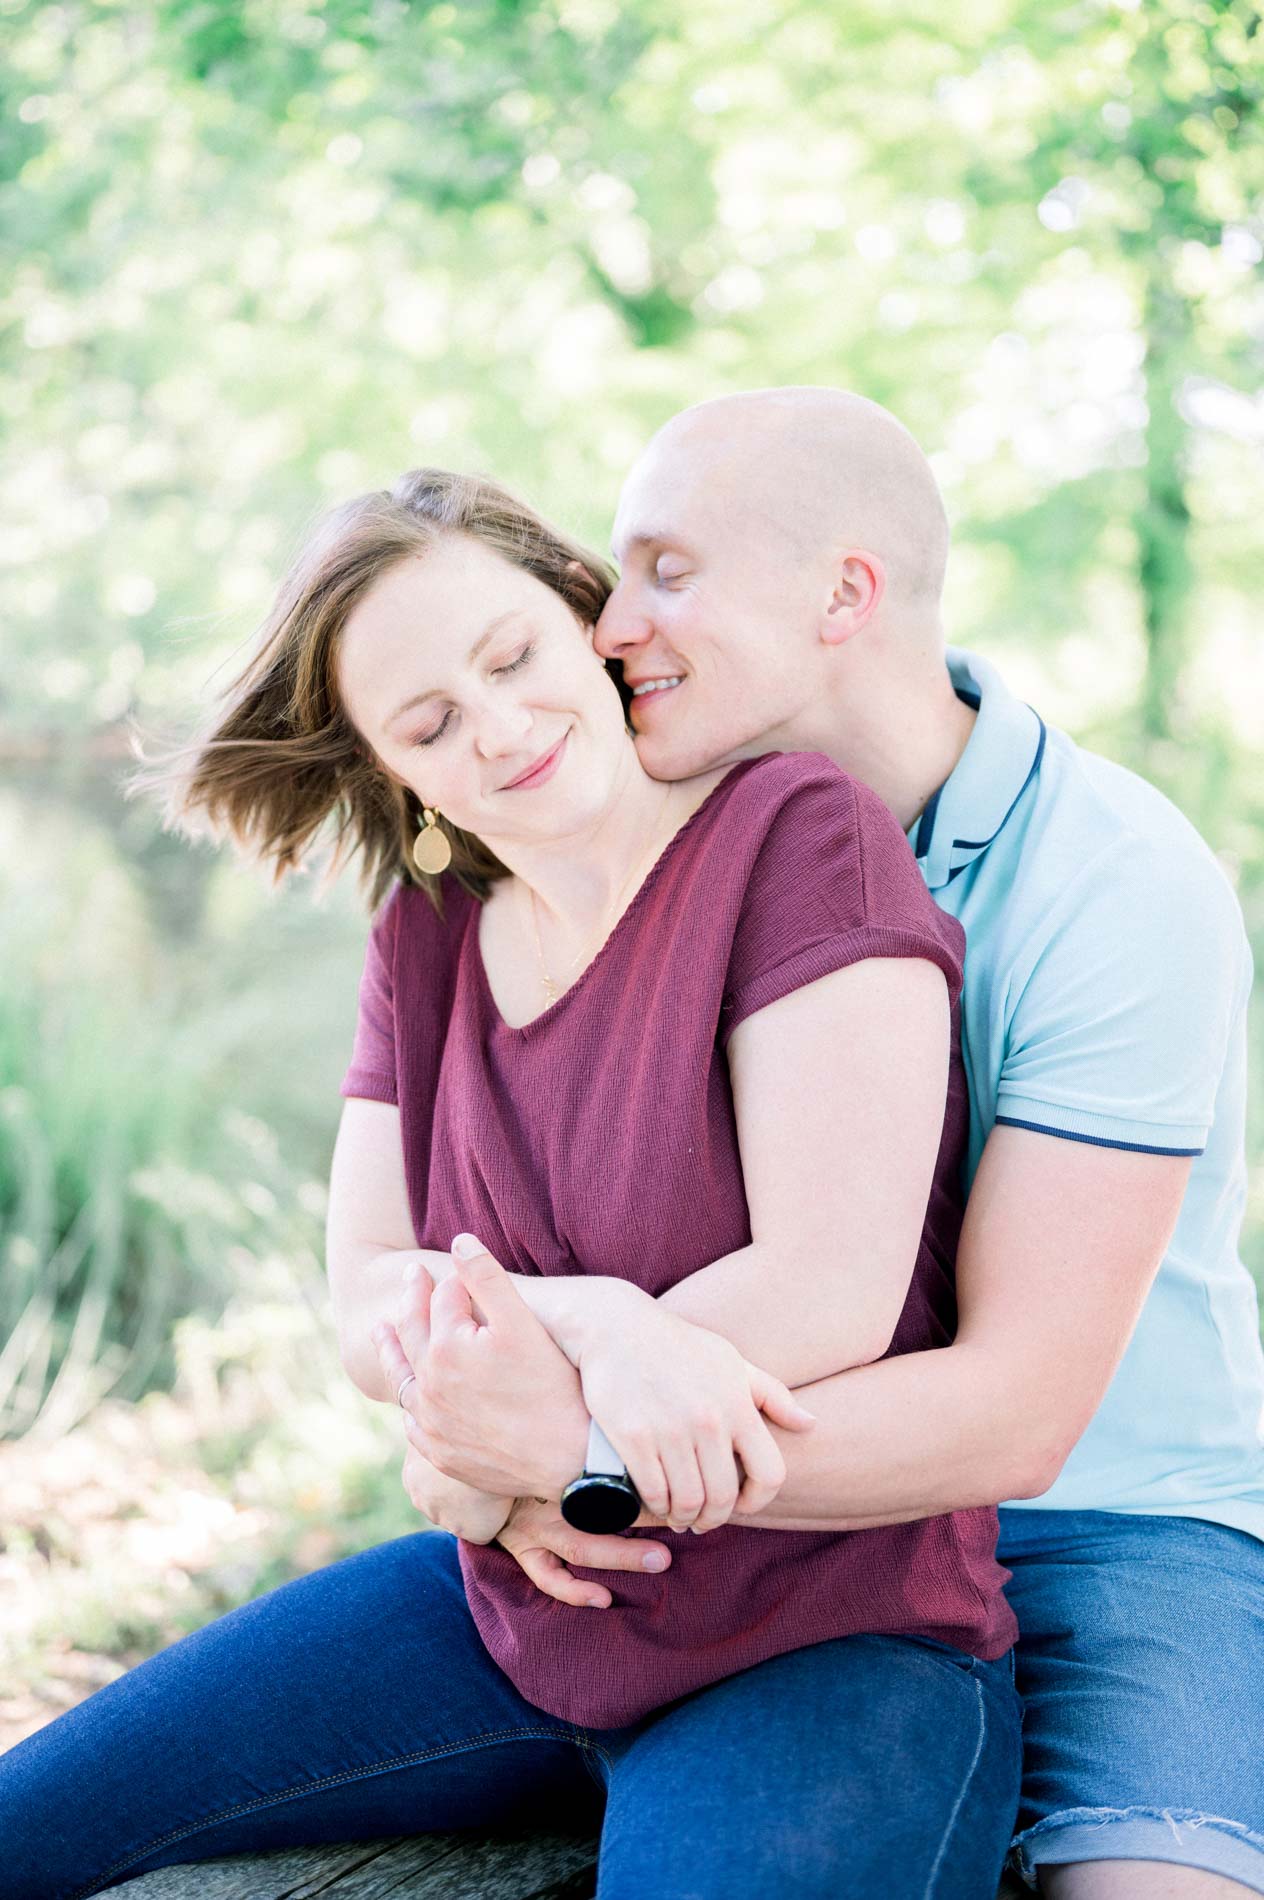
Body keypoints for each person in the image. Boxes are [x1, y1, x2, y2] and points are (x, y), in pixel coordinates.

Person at [0, 468, 1022, 1900]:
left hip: (828, 1644)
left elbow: (830, 1288)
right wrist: (597, 1331)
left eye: (512, 658)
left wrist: (534, 1436)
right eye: (429, 723)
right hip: (509, 1614)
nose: (498, 725)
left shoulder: (797, 838)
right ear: (390, 769)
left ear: (585, 620)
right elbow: (369, 1298)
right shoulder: (423, 930)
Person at [400, 390, 1264, 1899]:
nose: (609, 627)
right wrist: (532, 1405)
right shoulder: (678, 843)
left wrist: (587, 1453)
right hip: (796, 1539)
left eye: (668, 572)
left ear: (843, 595)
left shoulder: (1115, 887)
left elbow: (1017, 1418)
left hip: (1113, 1531)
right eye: (614, 577)